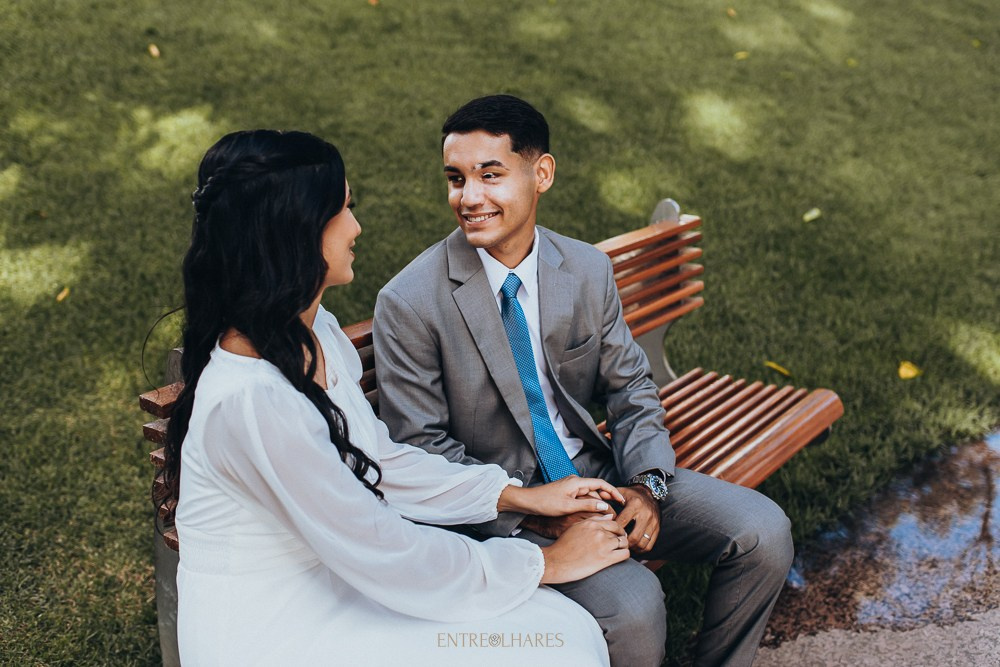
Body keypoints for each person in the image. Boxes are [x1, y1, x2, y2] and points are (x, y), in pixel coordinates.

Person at [161, 129, 634, 666]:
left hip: (342, 576)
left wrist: (513, 496)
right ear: (293, 232)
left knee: (555, 633)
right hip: (278, 627)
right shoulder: (252, 402)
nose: (357, 226)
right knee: (545, 646)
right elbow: (377, 546)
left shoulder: (313, 335)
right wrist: (542, 564)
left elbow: (379, 461)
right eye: (344, 209)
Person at [372, 95, 795, 667]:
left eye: (489, 175)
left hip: (599, 477)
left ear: (540, 173)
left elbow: (631, 390)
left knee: (763, 532)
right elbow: (422, 448)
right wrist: (539, 510)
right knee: (636, 602)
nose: (468, 198)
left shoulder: (587, 270)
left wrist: (647, 486)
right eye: (456, 178)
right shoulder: (409, 302)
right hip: (503, 507)